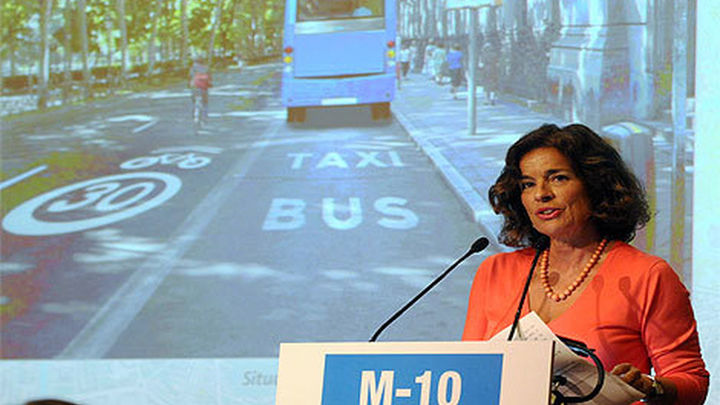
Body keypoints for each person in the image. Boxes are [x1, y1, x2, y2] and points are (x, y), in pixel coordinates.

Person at [463, 124, 709, 404]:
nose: (541, 193)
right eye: (528, 184)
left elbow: (692, 381)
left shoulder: (648, 275)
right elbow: (467, 372)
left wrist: (651, 387)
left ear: (595, 185)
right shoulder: (495, 271)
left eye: (558, 178)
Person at [188, 56, 212, 121]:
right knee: (205, 101)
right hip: (204, 86)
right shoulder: (206, 68)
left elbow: (190, 76)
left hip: (195, 86)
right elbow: (210, 77)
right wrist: (210, 83)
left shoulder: (193, 68)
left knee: (194, 99)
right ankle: (205, 114)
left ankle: (195, 114)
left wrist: (189, 84)